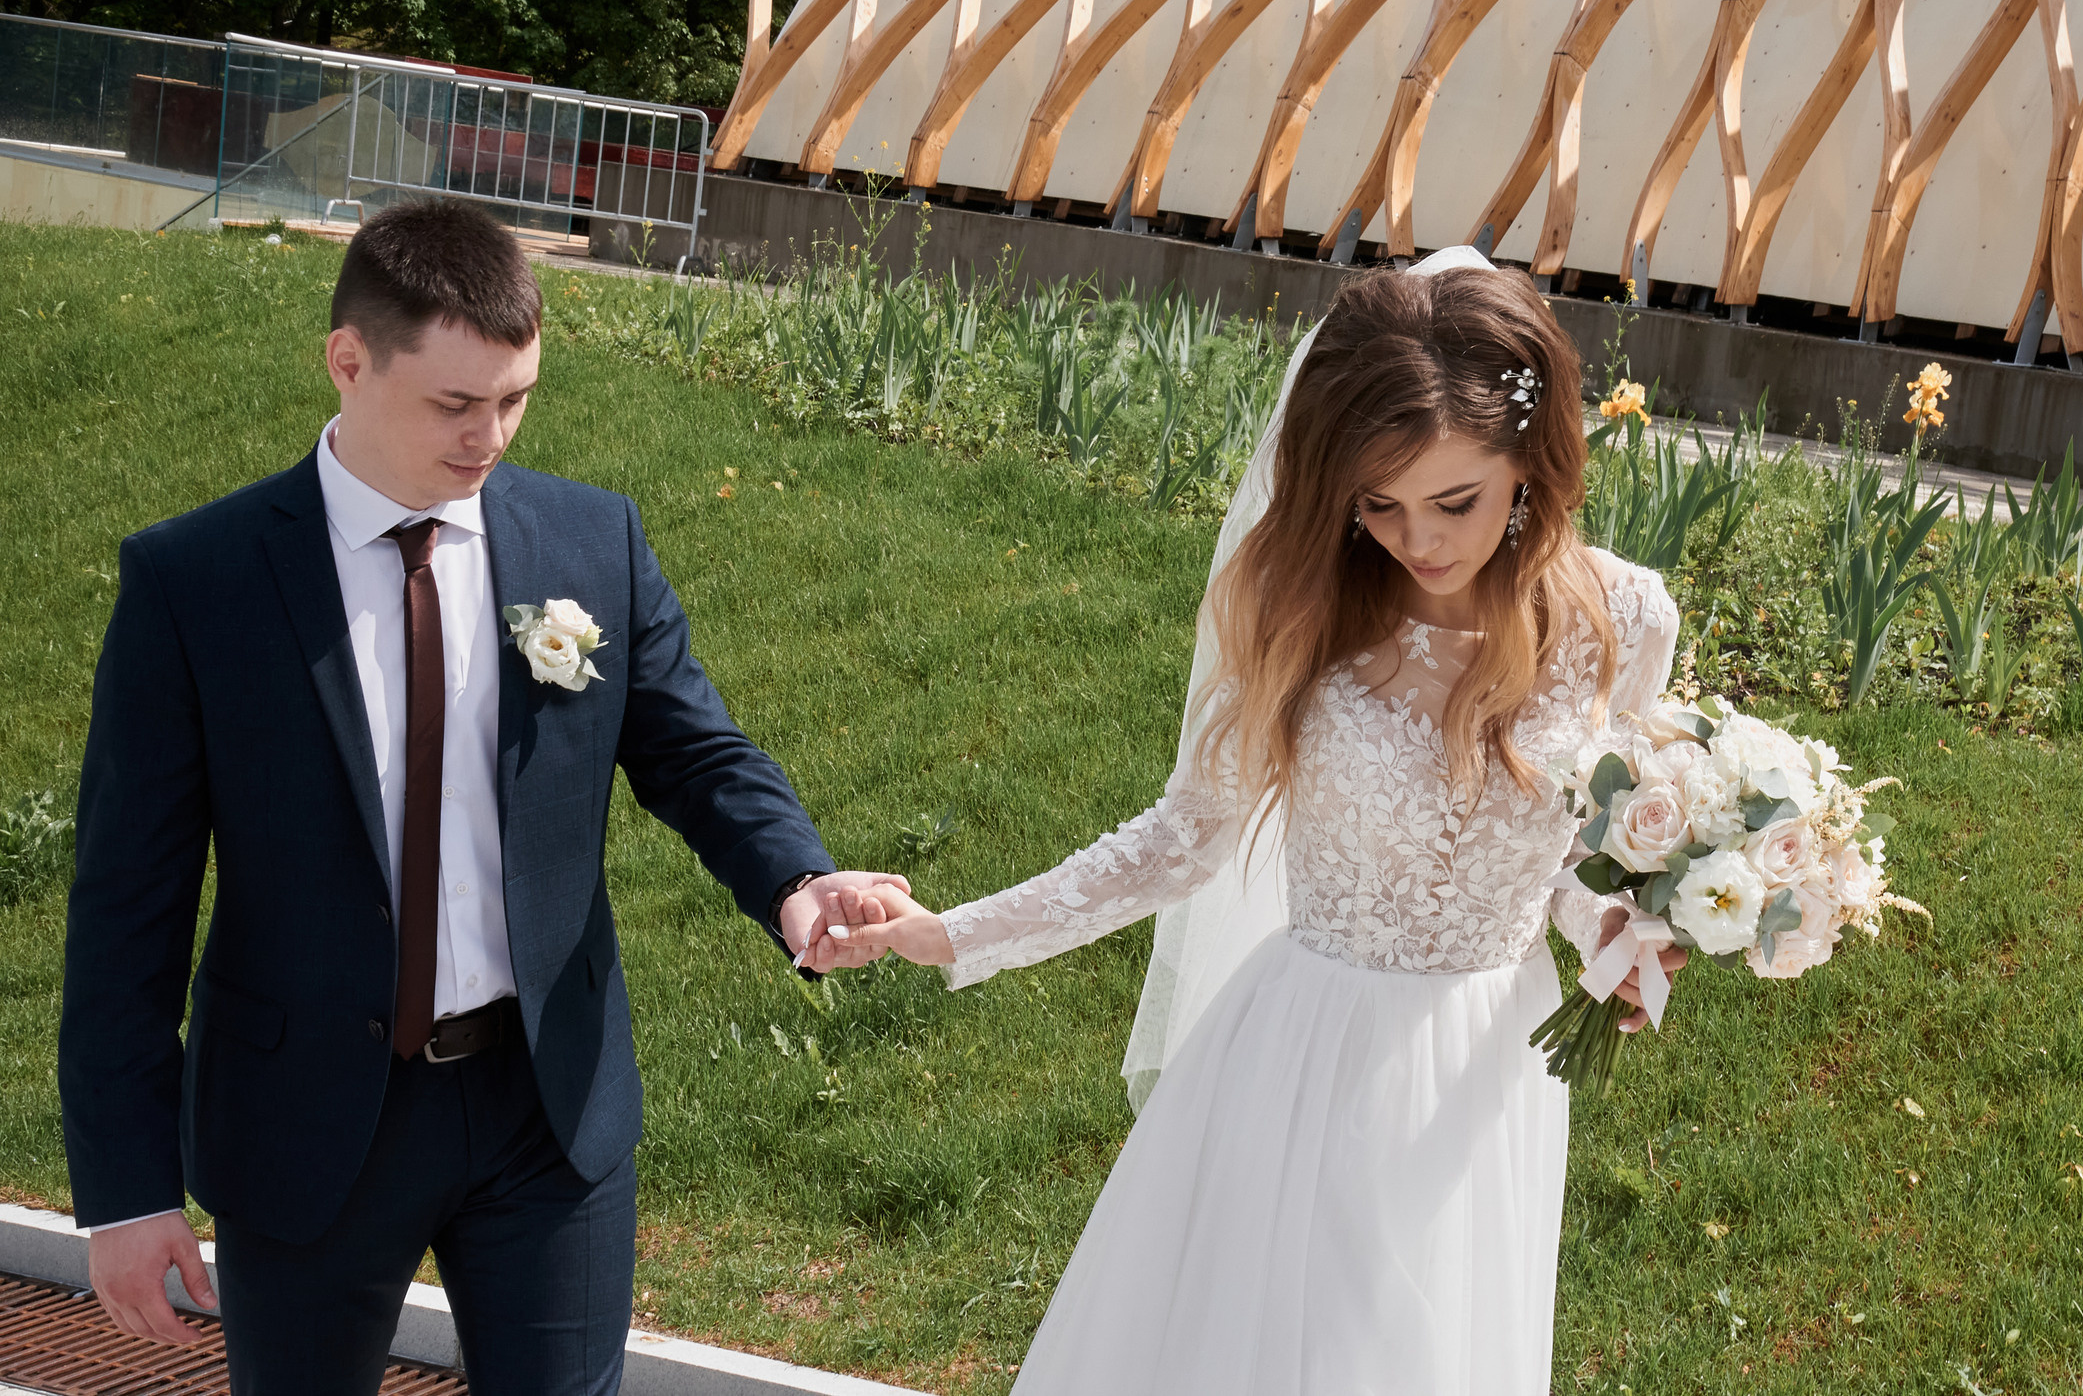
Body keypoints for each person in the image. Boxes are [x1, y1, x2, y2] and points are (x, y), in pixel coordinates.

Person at [59, 201, 908, 1394]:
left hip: (543, 1107)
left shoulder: (589, 538)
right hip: (305, 1121)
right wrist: (128, 1189)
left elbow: (695, 753)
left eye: (515, 398)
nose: (490, 436)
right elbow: (123, 915)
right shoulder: (194, 583)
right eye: (456, 404)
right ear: (348, 360)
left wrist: (797, 876)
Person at [807, 250, 1689, 1394]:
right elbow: (1182, 837)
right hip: (1309, 1062)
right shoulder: (1307, 610)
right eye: (1377, 503)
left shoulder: (1621, 615)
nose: (1417, 538)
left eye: (1454, 500)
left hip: (1491, 1070)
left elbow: (1574, 840)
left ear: (1536, 458)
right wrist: (953, 931)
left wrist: (1619, 930)